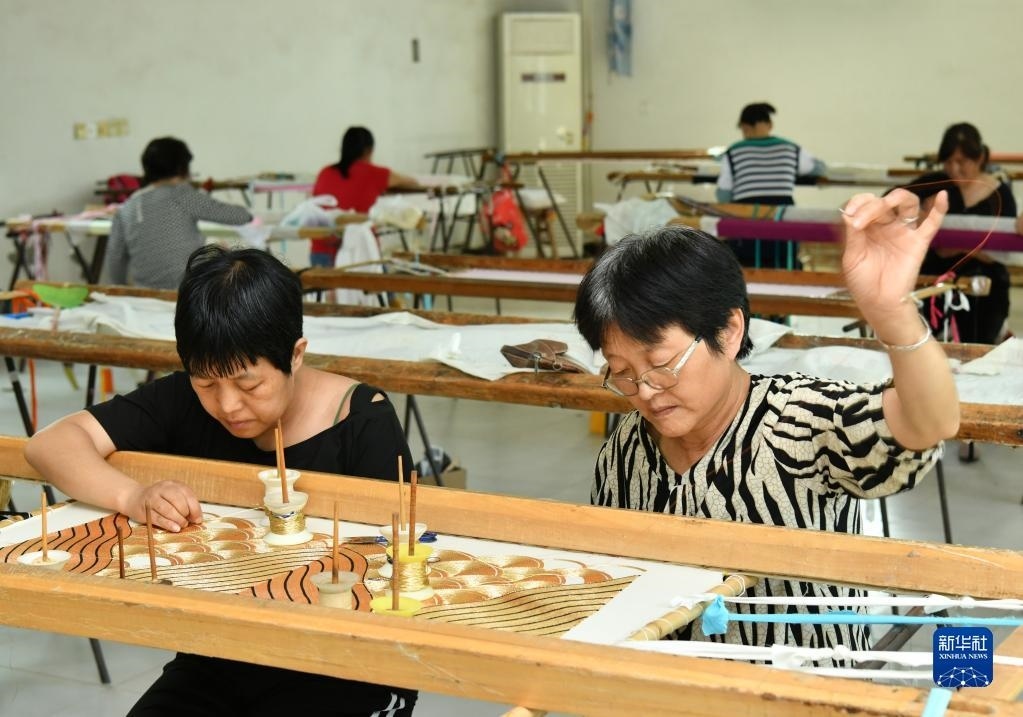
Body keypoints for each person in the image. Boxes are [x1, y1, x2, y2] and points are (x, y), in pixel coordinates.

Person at [25, 245, 417, 716]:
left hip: (348, 661)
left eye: (249, 385)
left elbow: (398, 567)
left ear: (295, 355)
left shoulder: (362, 421)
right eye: (207, 383)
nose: (227, 405)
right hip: (223, 650)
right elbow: (50, 444)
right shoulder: (184, 399)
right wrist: (132, 495)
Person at [573, 189, 958, 660]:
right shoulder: (625, 451)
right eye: (622, 372)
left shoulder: (800, 420)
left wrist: (894, 316)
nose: (646, 391)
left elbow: (930, 424)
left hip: (804, 685)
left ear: (729, 331)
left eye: (661, 364)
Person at [902, 122, 1016, 345]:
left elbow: (1006, 248)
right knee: (928, 341)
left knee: (977, 342)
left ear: (979, 158)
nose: (954, 169)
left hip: (985, 282)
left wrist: (961, 246)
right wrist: (917, 210)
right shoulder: (935, 183)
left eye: (961, 162)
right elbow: (892, 198)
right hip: (935, 276)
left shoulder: (1000, 195)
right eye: (948, 162)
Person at [105, 137, 253, 289]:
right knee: (223, 251)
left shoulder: (128, 206)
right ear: (182, 168)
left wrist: (121, 287)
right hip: (186, 290)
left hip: (145, 292)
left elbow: (115, 258)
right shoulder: (182, 195)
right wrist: (250, 215)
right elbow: (240, 216)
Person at [716, 102, 825, 269]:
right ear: (770, 125)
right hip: (782, 223)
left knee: (740, 257)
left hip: (746, 225)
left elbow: (723, 194)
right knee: (785, 260)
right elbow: (819, 168)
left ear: (744, 127)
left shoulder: (733, 152)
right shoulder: (791, 148)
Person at [310, 127, 419, 266]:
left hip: (321, 251)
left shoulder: (325, 173)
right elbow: (412, 182)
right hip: (359, 252)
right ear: (369, 150)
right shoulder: (374, 173)